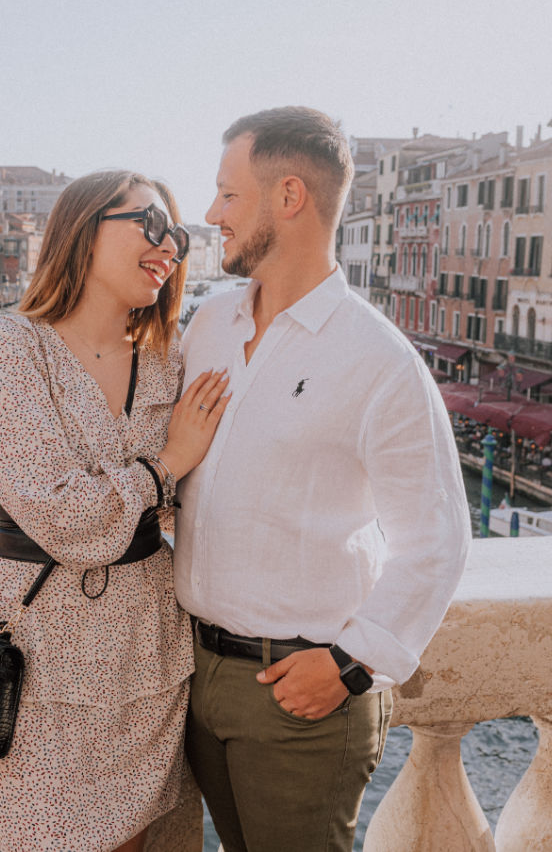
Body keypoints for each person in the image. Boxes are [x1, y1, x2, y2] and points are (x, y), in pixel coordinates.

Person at [176, 107, 472, 852]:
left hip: (298, 697)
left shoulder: (380, 361)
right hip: (196, 676)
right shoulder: (208, 324)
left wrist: (350, 662)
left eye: (228, 194)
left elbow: (436, 539)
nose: (212, 215)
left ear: (290, 196)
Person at [0, 170, 230, 852]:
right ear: (81, 230)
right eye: (150, 225)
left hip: (148, 654)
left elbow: (207, 503)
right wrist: (165, 465)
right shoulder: (9, 348)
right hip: (37, 653)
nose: (170, 248)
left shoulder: (169, 363)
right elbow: (66, 517)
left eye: (178, 236)